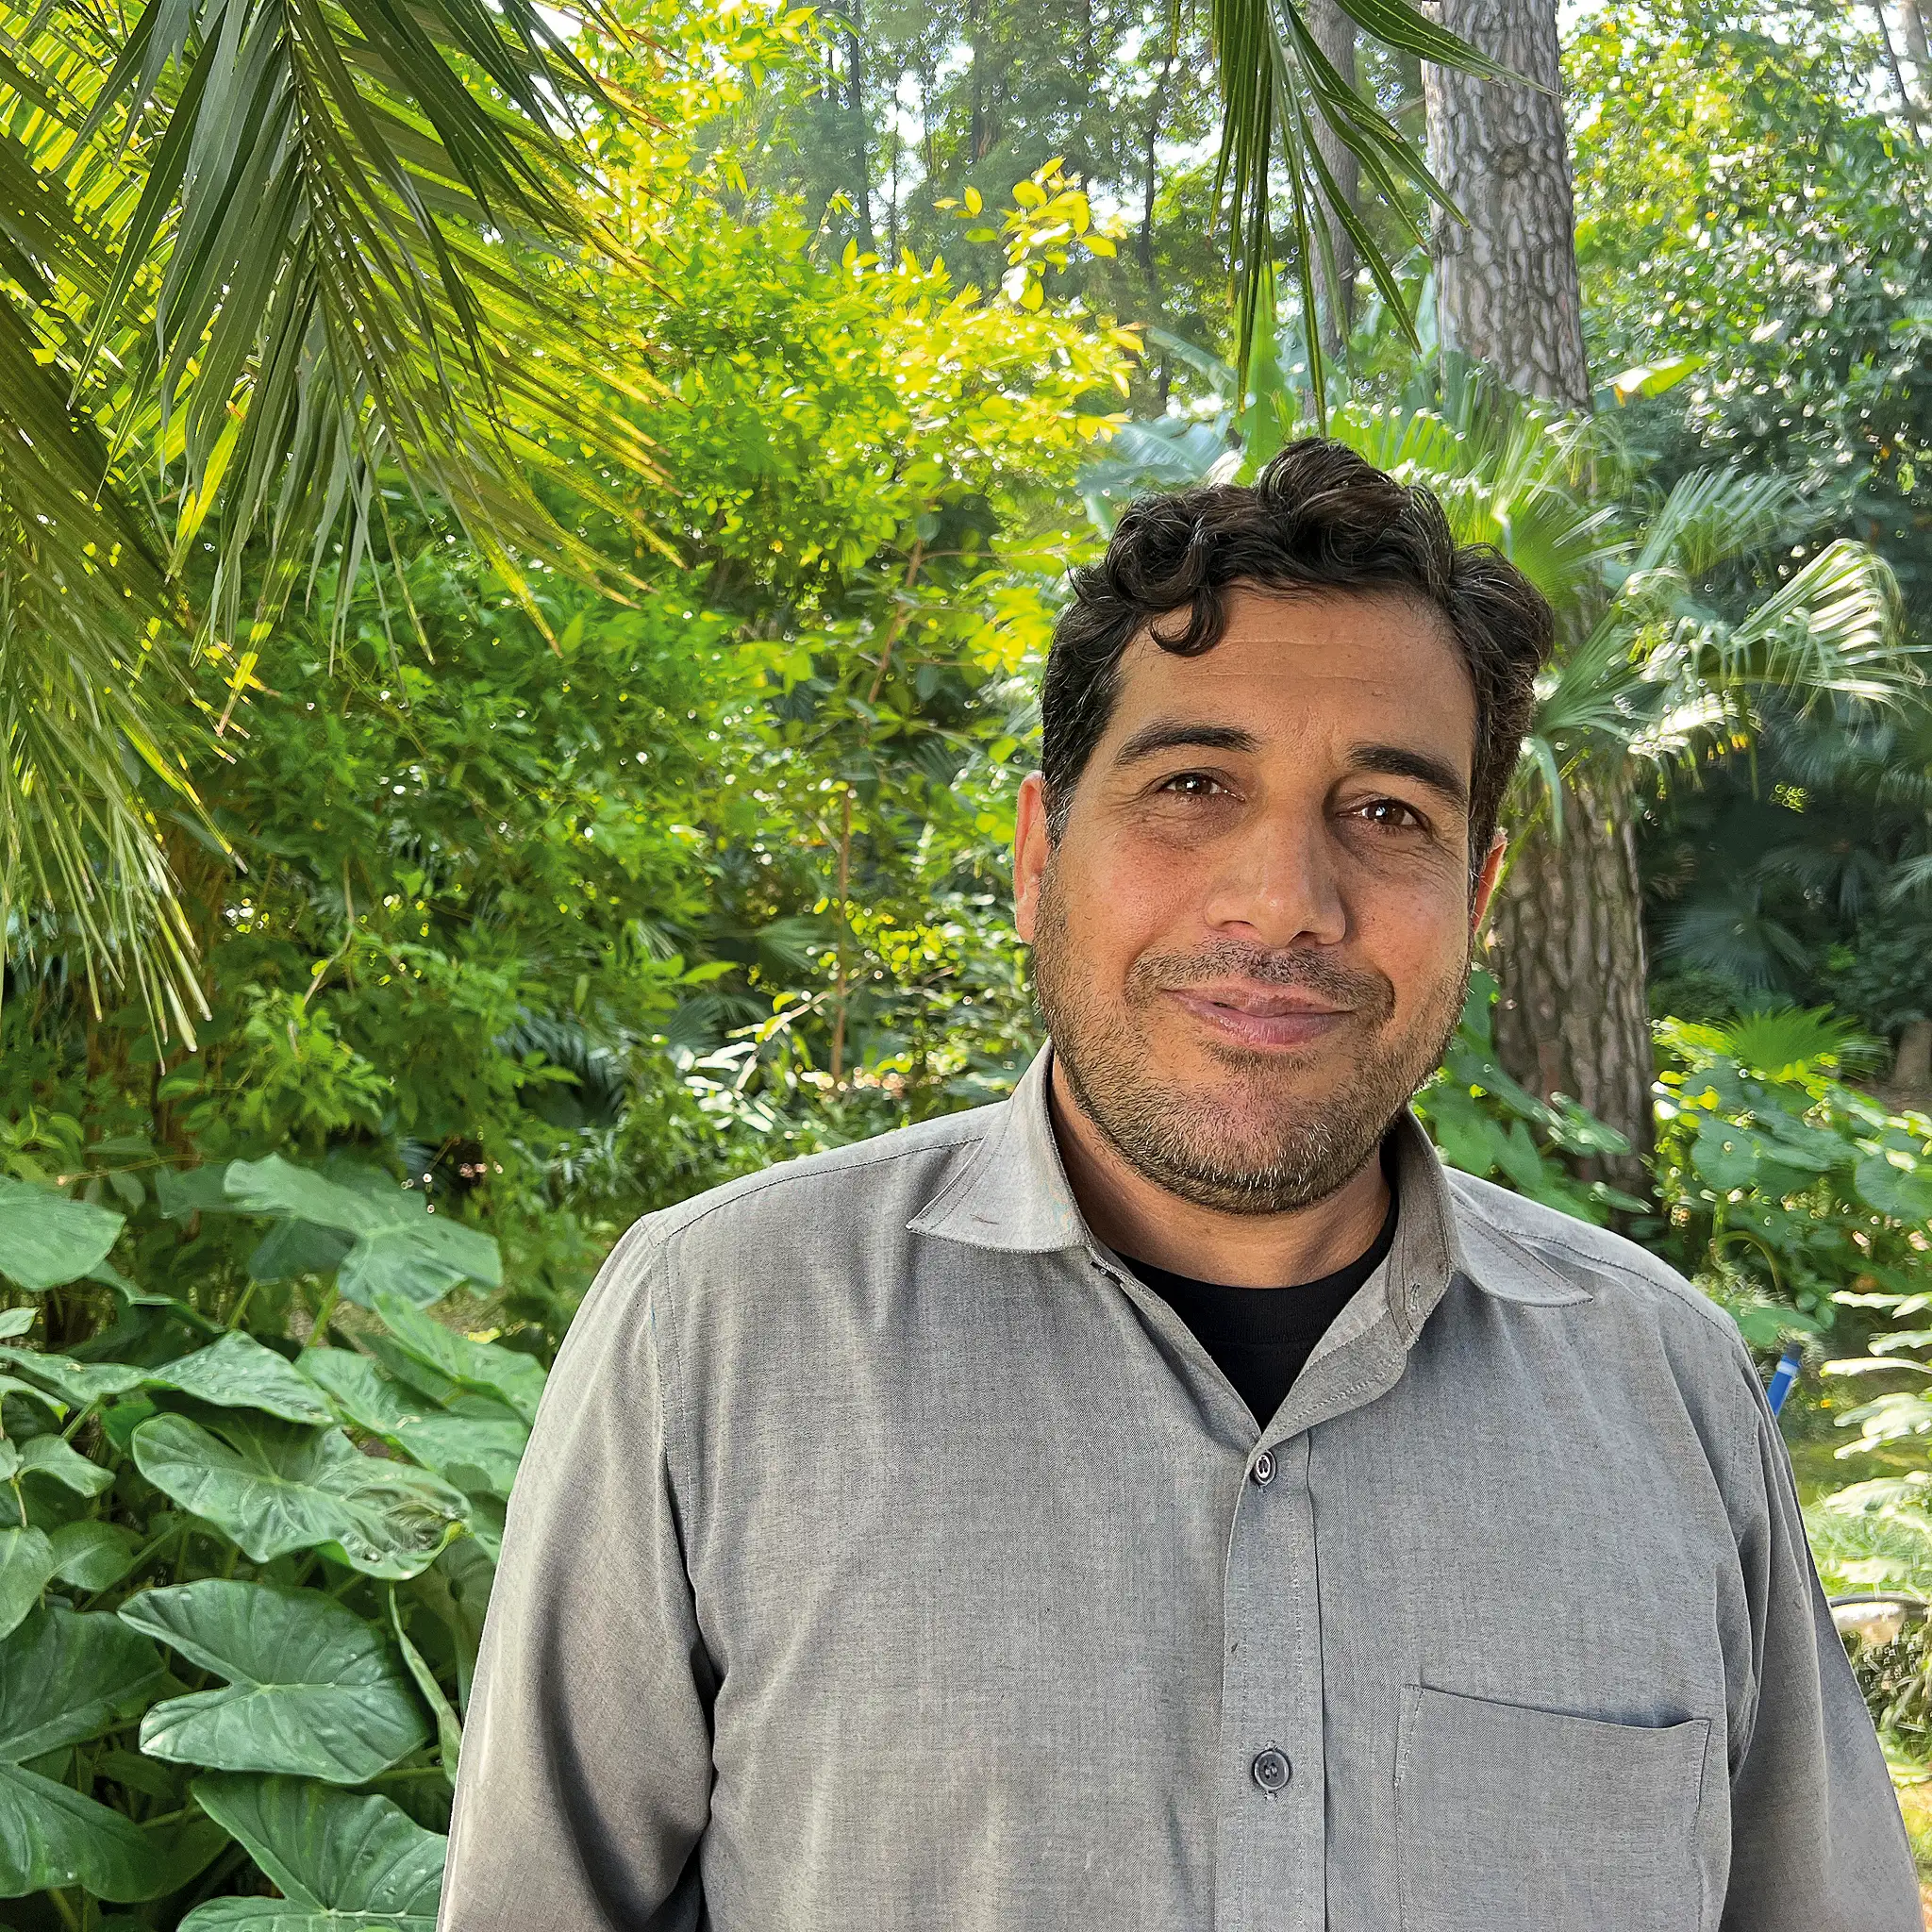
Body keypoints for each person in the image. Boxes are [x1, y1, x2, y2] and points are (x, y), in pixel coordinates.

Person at [437, 441, 1919, 1931]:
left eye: (1389, 812)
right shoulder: (714, 1338)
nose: (1287, 900)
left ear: (1473, 898)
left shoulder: (1667, 1393)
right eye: (1195, 783)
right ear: (1038, 857)